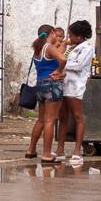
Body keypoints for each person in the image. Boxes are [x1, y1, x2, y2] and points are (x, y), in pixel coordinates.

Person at [25, 23, 67, 163]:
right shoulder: (48, 48)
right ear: (53, 32)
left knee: (41, 120)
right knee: (50, 120)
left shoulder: (38, 49)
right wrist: (59, 71)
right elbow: (62, 58)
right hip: (52, 85)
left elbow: (57, 53)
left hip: (40, 85)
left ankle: (31, 149)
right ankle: (47, 154)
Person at [56, 20, 95, 161]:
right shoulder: (70, 48)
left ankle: (77, 150)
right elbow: (62, 58)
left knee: (78, 117)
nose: (69, 38)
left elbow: (78, 65)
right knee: (63, 118)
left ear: (79, 36)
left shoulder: (87, 48)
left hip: (75, 86)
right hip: (64, 85)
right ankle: (60, 149)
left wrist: (61, 63)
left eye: (71, 36)